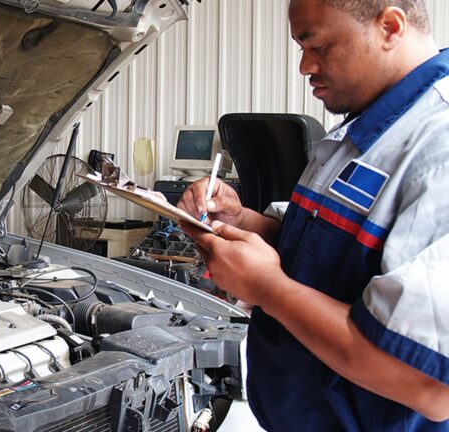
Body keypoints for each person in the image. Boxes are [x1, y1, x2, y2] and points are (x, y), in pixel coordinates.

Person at [177, 0, 449, 430]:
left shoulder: (439, 147)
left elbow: (430, 384)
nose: (305, 66)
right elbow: (329, 256)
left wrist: (266, 287)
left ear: (390, 27)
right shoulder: (360, 131)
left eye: (318, 46)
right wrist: (244, 221)